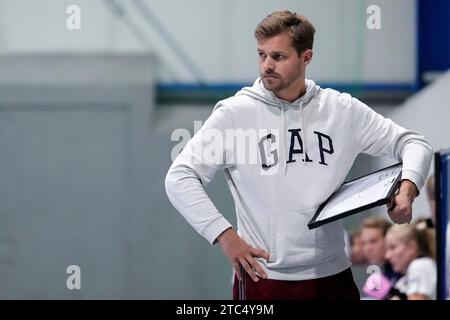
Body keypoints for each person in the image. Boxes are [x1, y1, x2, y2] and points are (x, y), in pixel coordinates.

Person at [165, 10, 433, 300]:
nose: (267, 65)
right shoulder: (234, 114)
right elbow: (180, 177)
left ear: (306, 57)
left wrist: (408, 188)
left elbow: (414, 143)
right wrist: (224, 236)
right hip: (265, 279)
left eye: (278, 57)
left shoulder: (341, 110)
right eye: (262, 55)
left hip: (333, 276)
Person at [384, 223, 436, 300]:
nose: (387, 256)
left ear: (412, 246)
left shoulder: (420, 265)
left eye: (393, 247)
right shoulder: (403, 280)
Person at [361, 217, 402, 283]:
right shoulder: (387, 273)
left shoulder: (405, 267)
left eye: (373, 241)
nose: (367, 249)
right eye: (364, 243)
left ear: (388, 239)